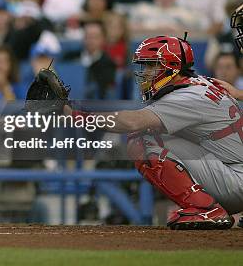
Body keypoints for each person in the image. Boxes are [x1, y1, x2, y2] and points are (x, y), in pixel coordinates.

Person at [65, 35, 243, 229]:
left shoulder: (186, 96)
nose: (146, 73)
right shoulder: (202, 83)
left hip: (235, 182)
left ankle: (206, 209)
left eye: (152, 66)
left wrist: (73, 114)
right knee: (154, 132)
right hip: (232, 172)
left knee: (142, 139)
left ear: (172, 67)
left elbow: (132, 122)